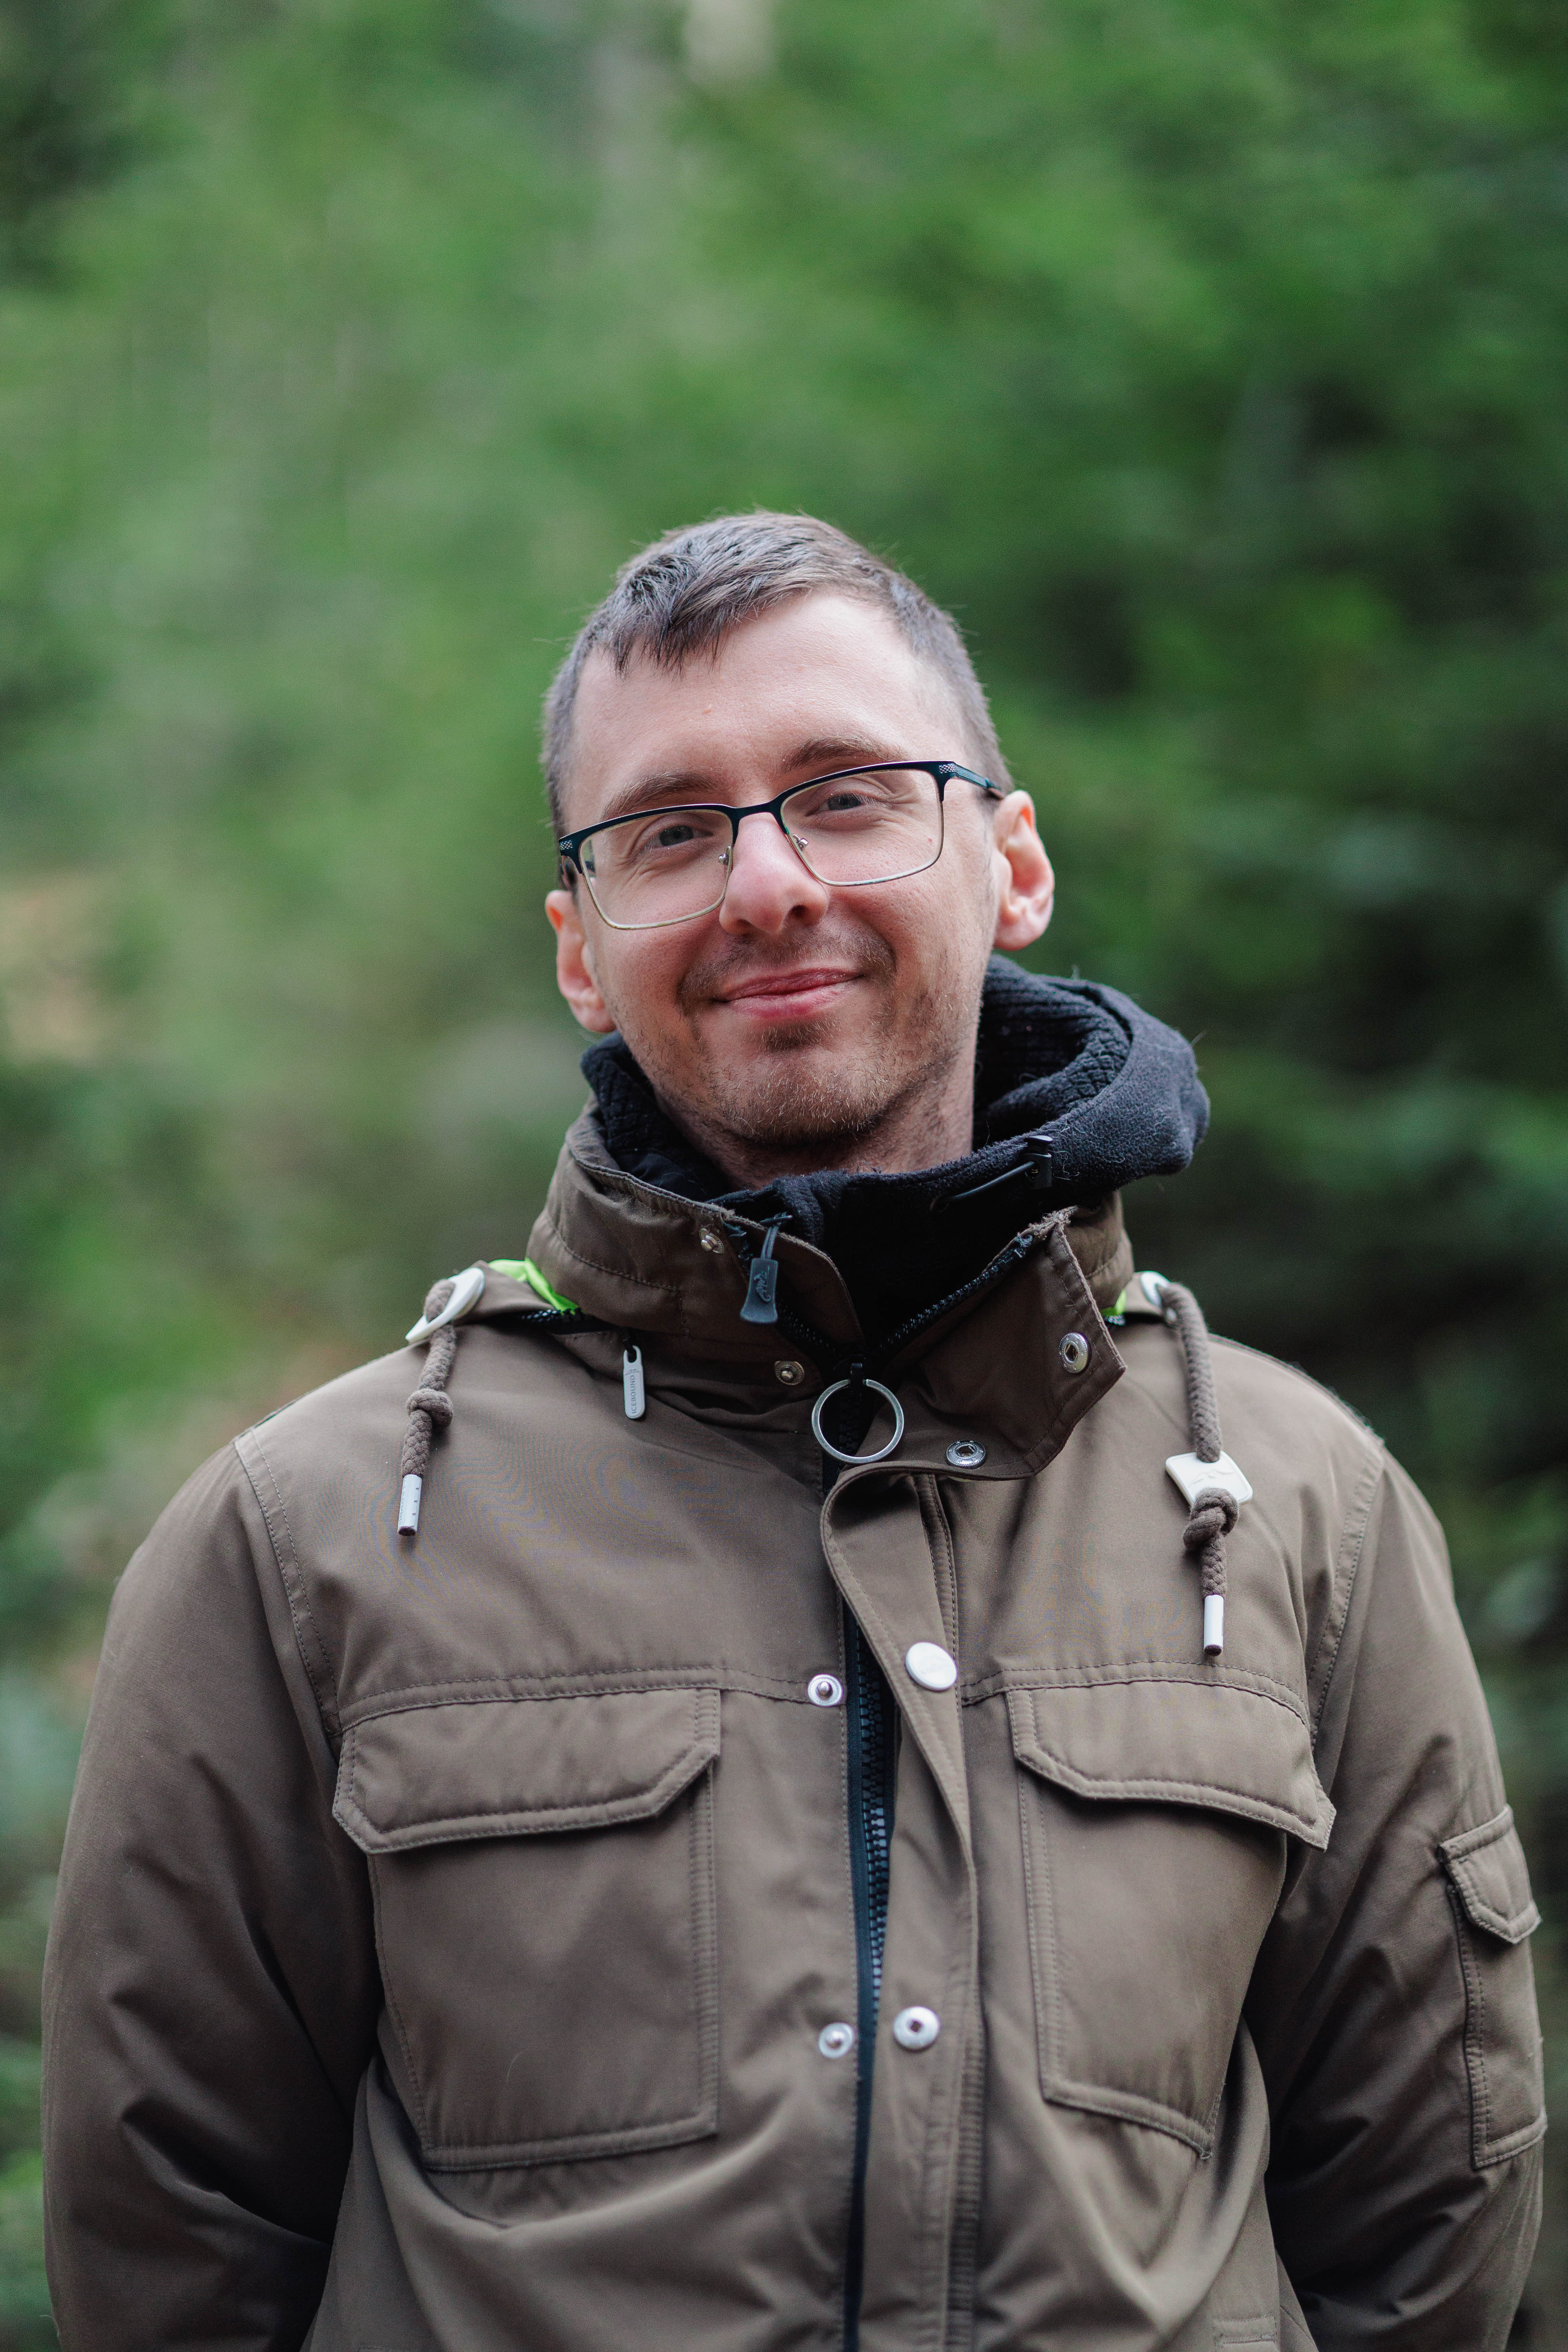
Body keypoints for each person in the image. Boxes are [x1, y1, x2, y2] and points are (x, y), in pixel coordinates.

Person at [42, 513, 1543, 2351]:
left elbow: (1426, 2241)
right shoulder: (311, 1537)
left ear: (1012, 863)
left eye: (847, 794)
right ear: (583, 949)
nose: (764, 886)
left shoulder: (1299, 1511)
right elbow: (171, 2252)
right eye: (669, 831)